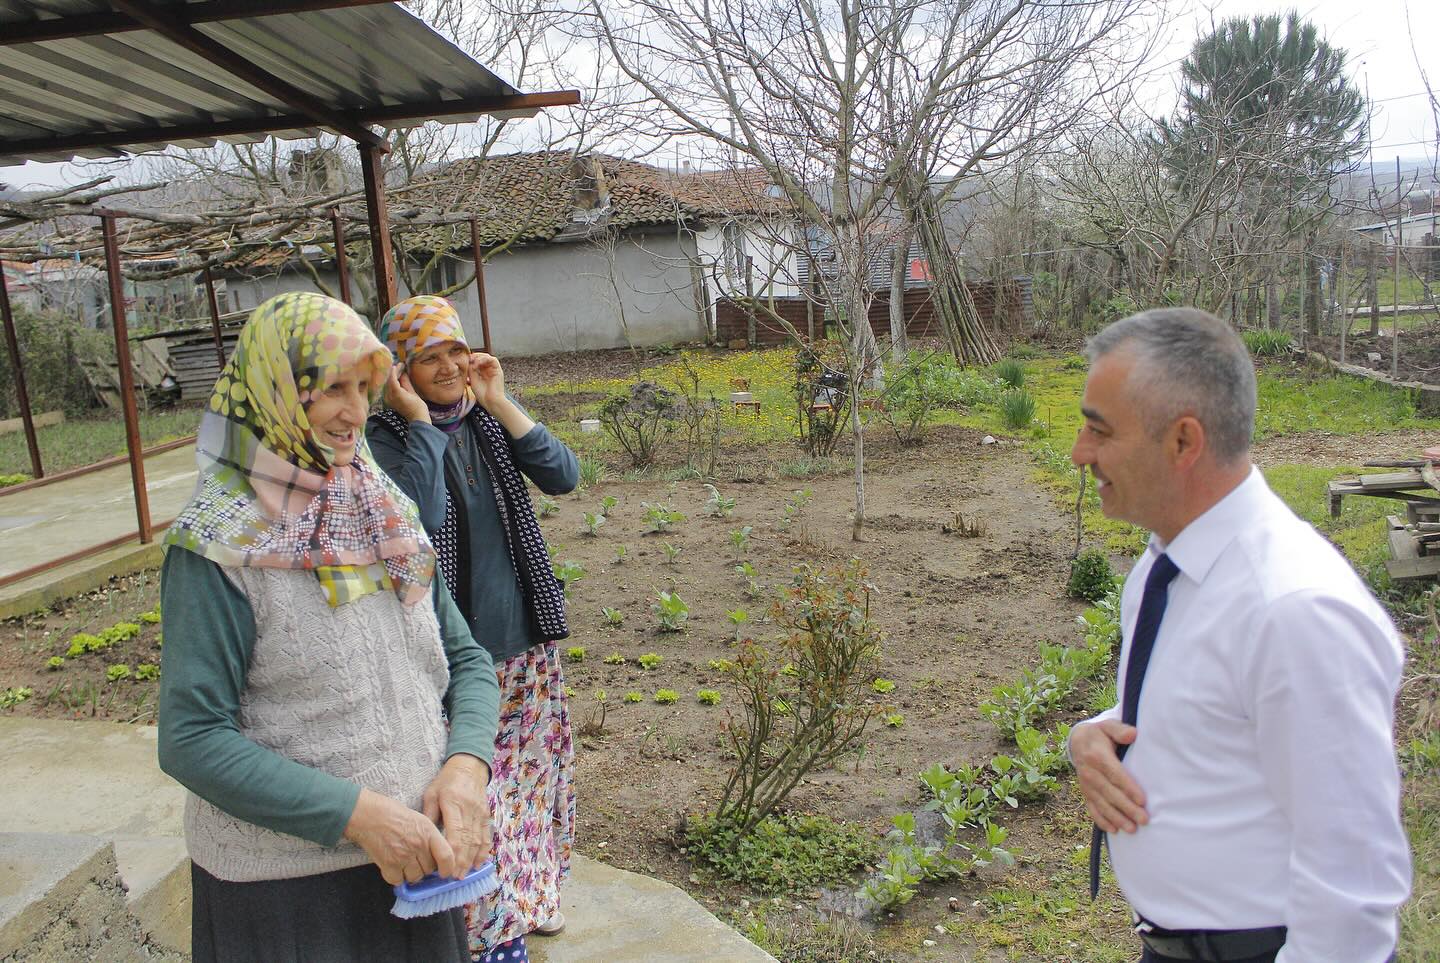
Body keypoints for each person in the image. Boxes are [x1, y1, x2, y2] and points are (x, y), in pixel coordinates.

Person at [157, 292, 500, 963]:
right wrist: (360, 817)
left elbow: (465, 660)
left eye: (364, 386)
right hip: (285, 899)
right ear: (276, 392)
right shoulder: (217, 543)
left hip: (416, 867)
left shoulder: (382, 509)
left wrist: (465, 767)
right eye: (330, 388)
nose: (355, 411)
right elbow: (192, 739)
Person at [1068, 307, 1412, 963]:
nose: (1080, 453)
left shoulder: (1296, 610)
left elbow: (1354, 883)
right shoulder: (1165, 563)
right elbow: (1217, 710)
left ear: (1183, 441)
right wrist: (1098, 732)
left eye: (1099, 431)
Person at [366, 295, 578, 963]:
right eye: (430, 357)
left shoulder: (487, 423)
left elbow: (564, 475)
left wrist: (502, 401)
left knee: (532, 781)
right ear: (400, 370)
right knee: (479, 792)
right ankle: (491, 918)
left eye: (457, 350)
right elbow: (420, 520)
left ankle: (532, 895)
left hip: (523, 638)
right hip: (456, 656)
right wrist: (422, 424)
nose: (452, 366)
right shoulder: (384, 440)